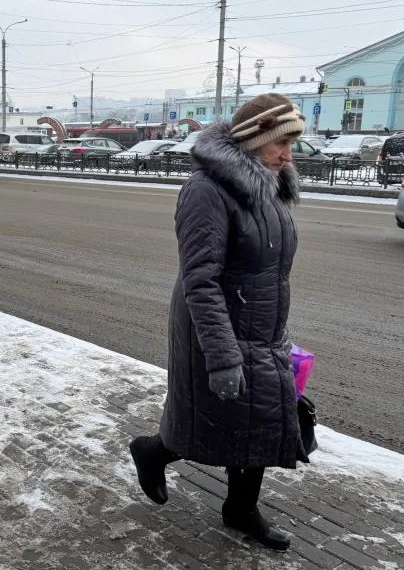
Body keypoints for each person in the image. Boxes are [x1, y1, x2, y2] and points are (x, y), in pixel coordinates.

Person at [129, 93, 305, 552]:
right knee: (207, 418)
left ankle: (240, 509)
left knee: (259, 419)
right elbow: (200, 280)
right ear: (251, 141)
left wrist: (279, 331)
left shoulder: (269, 185)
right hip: (216, 326)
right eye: (279, 144)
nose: (288, 156)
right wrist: (222, 357)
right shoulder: (206, 190)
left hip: (261, 327)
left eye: (292, 144)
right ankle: (152, 451)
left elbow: (270, 271)